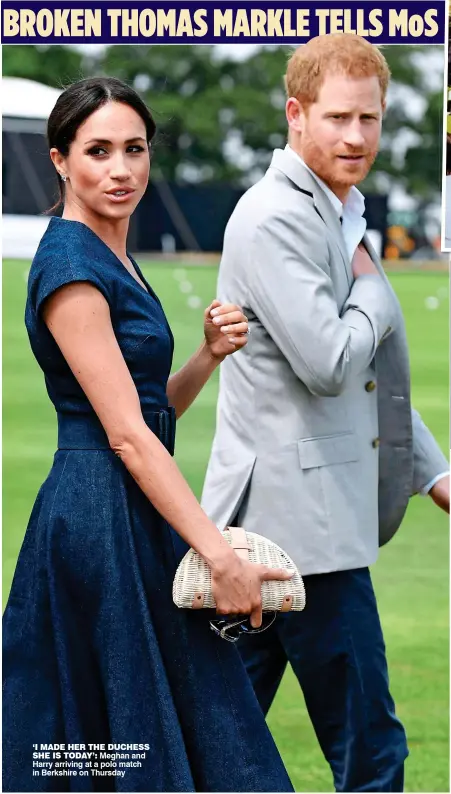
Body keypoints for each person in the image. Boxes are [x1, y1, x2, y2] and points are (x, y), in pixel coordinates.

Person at [2, 76, 295, 794]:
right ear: (61, 160)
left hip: (131, 505)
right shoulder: (72, 266)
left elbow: (146, 410)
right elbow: (128, 436)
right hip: (99, 520)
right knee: (137, 735)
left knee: (170, 727)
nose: (120, 168)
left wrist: (205, 357)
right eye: (97, 150)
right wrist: (216, 550)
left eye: (134, 149)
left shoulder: (114, 255)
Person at [201, 34, 449, 793]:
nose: (356, 136)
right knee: (370, 753)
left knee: (222, 737)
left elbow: (365, 389)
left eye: (369, 119)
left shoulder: (336, 209)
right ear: (295, 114)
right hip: (301, 531)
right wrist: (376, 290)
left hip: (280, 526)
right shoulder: (278, 216)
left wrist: (434, 474)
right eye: (338, 117)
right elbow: (330, 361)